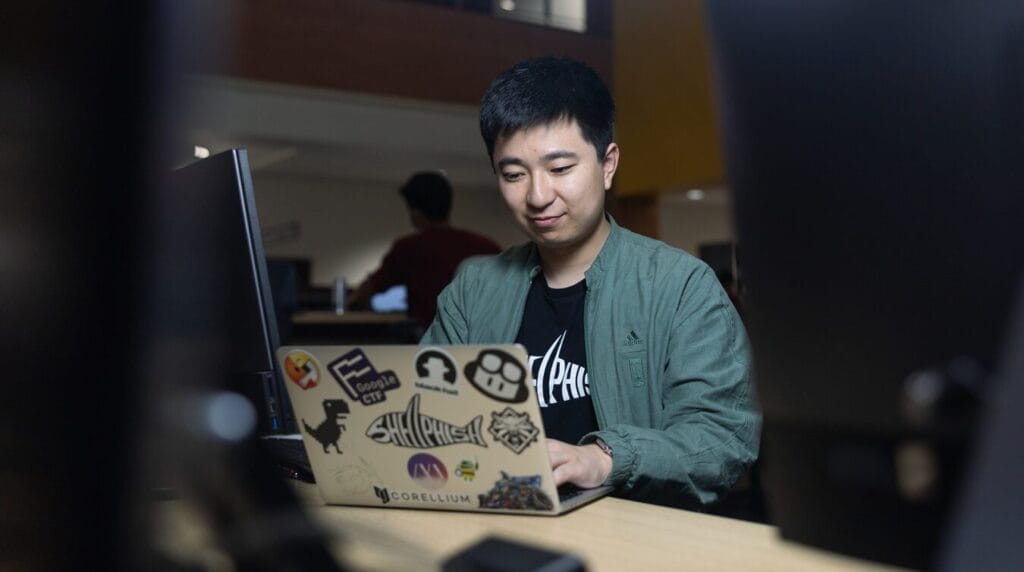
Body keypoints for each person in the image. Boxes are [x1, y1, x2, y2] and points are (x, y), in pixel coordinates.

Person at [421, 57, 761, 508]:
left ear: (607, 164)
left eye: (560, 169)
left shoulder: (680, 286)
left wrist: (604, 459)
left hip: (634, 536)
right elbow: (426, 407)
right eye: (513, 174)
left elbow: (722, 439)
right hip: (497, 521)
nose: (538, 196)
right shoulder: (473, 289)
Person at [346, 171, 501, 330]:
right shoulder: (487, 245)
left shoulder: (408, 248)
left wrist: (350, 300)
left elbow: (368, 291)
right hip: (485, 338)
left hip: (428, 340)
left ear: (415, 212)